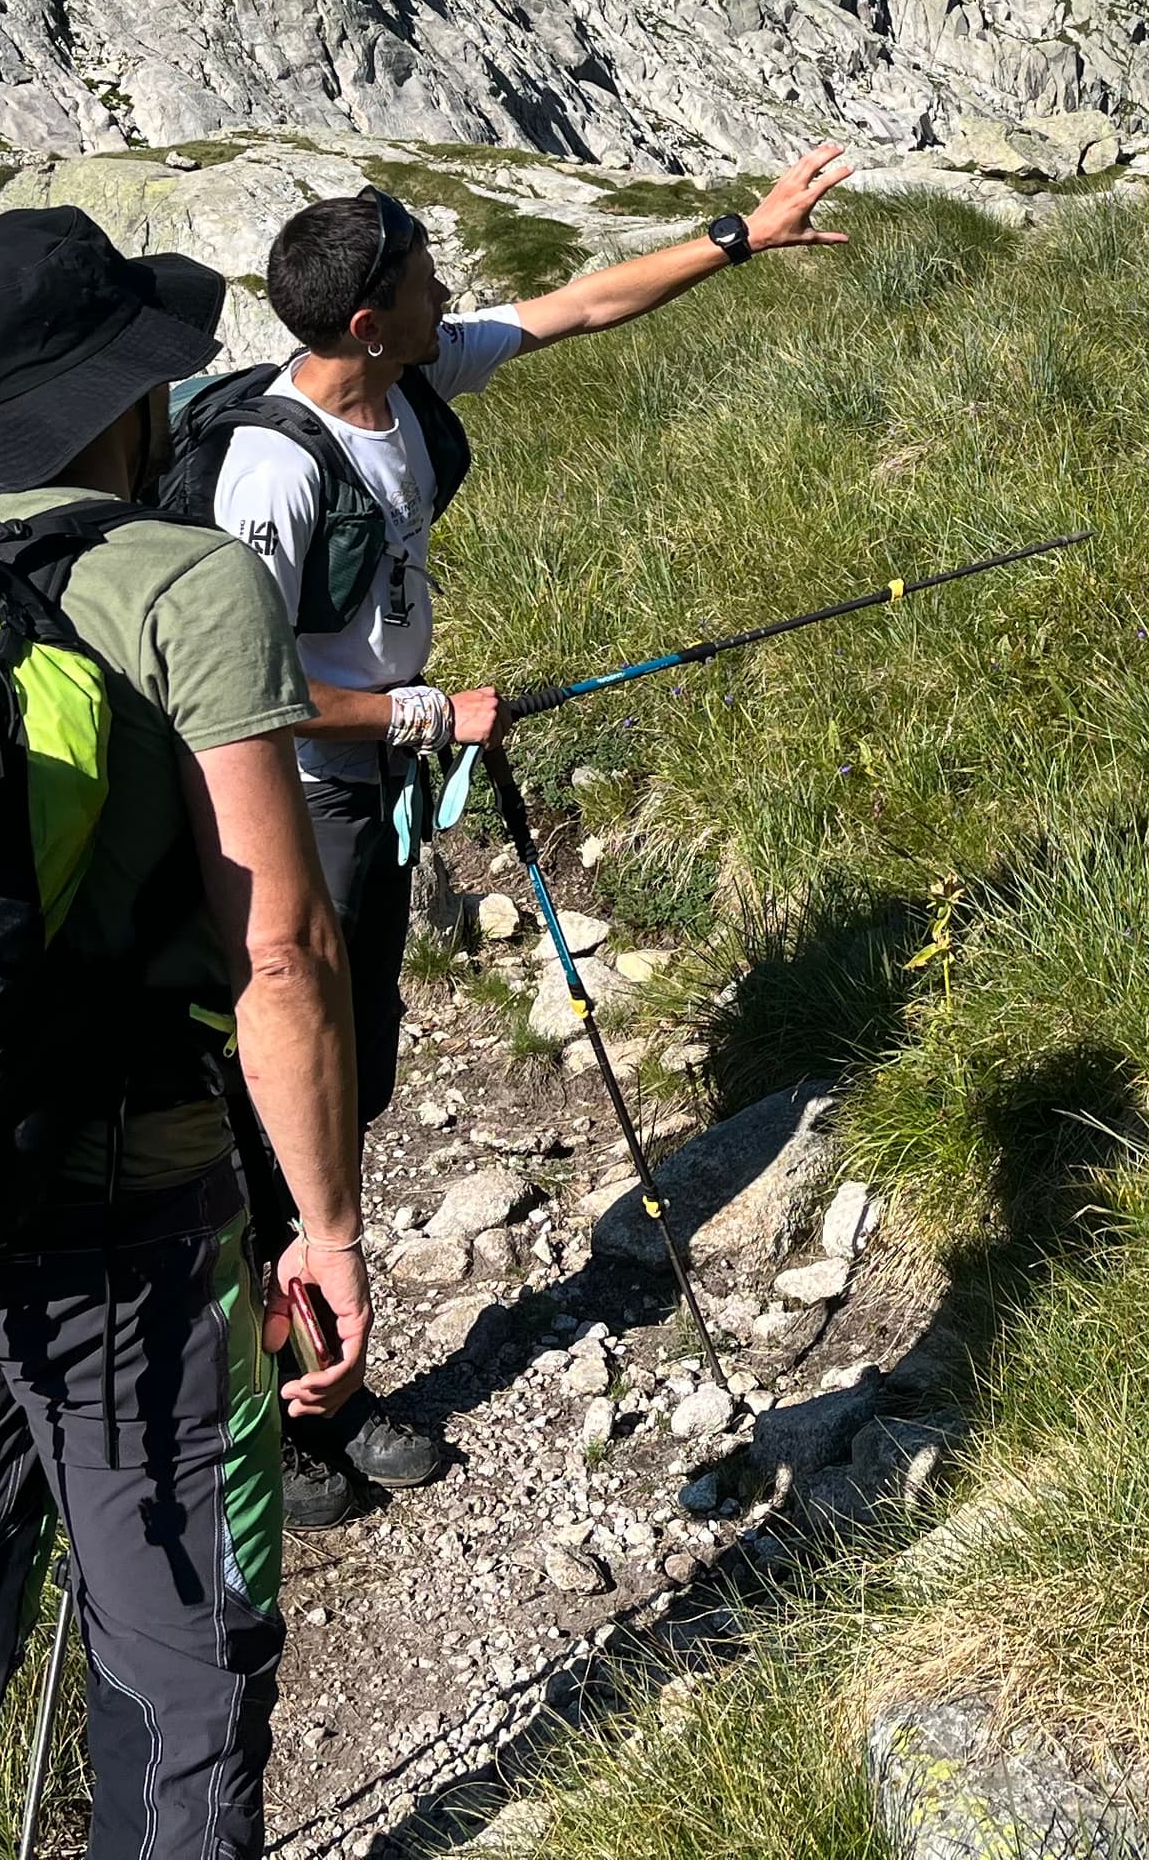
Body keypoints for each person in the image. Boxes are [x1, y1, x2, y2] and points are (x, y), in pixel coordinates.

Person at [0, 204, 369, 1860]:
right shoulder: (184, 581)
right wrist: (328, 1228)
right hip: (137, 1214)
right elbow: (280, 948)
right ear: (121, 397)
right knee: (184, 1658)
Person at [216, 144, 855, 1518]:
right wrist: (422, 713)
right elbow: (240, 692)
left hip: (373, 784)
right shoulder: (269, 472)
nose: (450, 293)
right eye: (423, 279)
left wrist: (739, 237)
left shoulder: (406, 376)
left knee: (355, 1067)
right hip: (306, 799)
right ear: (368, 321)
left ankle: (310, 1377)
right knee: (299, 1086)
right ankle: (280, 1422)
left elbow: (579, 306)